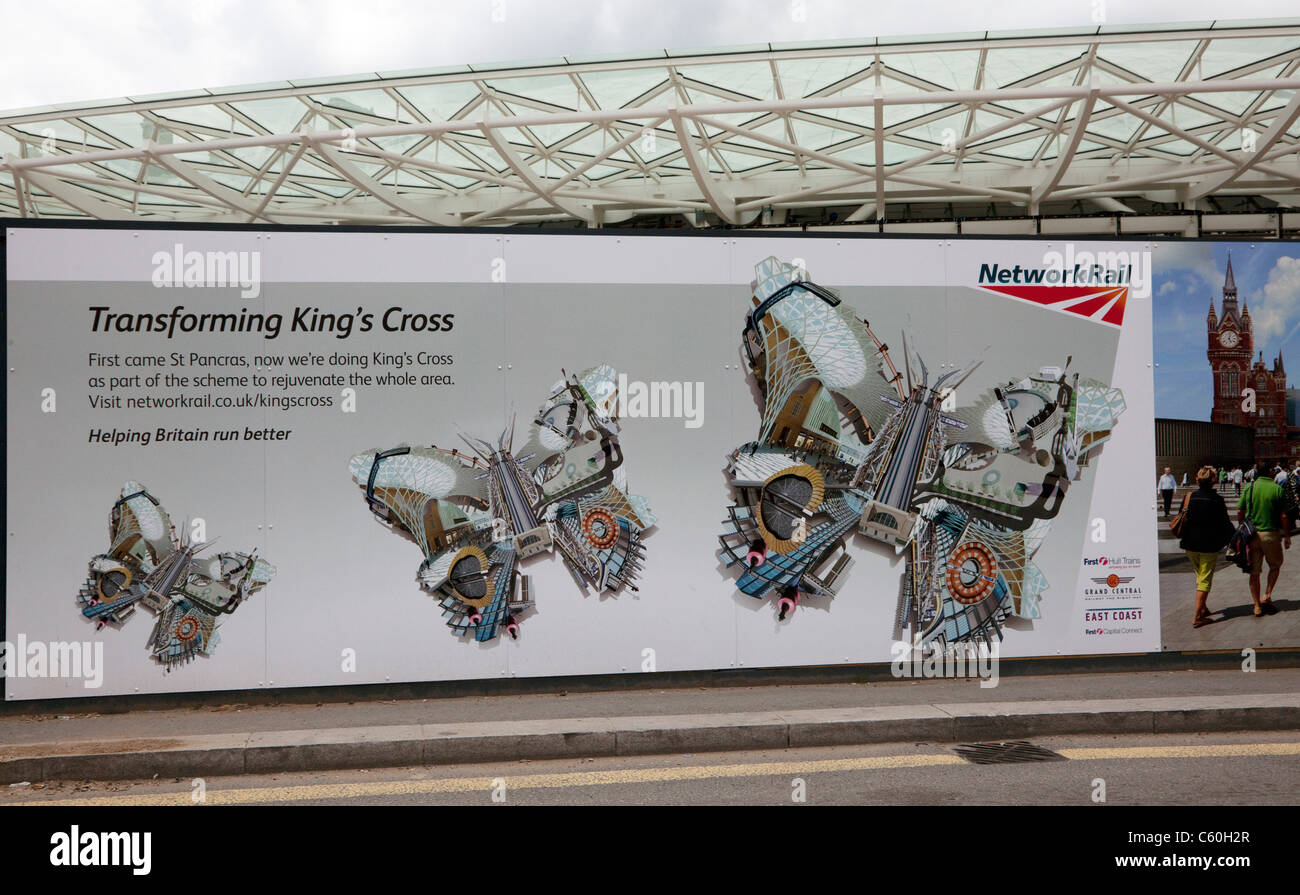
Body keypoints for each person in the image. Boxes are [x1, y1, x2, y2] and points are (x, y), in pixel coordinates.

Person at [1180, 466, 1236, 628]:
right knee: (1205, 580)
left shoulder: (1189, 497)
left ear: (1197, 480)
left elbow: (1183, 518)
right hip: (1208, 545)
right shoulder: (1216, 499)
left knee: (1200, 576)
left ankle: (1203, 608)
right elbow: (1225, 523)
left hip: (1190, 544)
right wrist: (1234, 540)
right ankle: (1197, 617)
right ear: (1214, 480)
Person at [1239, 460, 1290, 617]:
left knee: (1254, 572)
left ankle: (1256, 606)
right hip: (1271, 535)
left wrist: (1243, 527)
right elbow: (1283, 515)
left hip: (1252, 536)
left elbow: (1240, 511)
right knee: (1275, 566)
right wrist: (1287, 536)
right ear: (1270, 472)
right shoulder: (1277, 489)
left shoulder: (1249, 487)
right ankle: (1267, 595)